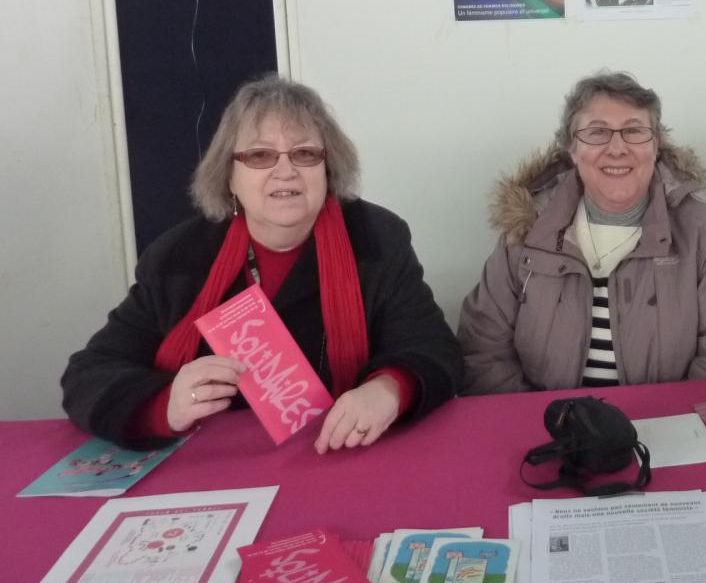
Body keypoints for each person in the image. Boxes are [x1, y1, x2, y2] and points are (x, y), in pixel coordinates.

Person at [61, 75, 463, 451]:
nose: (284, 170)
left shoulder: (376, 238)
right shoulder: (178, 258)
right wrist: (165, 405)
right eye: (259, 155)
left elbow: (434, 348)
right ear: (229, 176)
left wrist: (390, 389)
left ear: (328, 168)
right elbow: (88, 376)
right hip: (217, 464)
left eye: (304, 153)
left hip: (342, 451)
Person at [458, 71, 706, 393]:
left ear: (656, 145)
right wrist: (538, 426)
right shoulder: (527, 229)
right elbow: (483, 351)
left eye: (634, 131)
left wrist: (668, 430)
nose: (617, 148)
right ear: (572, 150)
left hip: (670, 429)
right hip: (544, 430)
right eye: (597, 132)